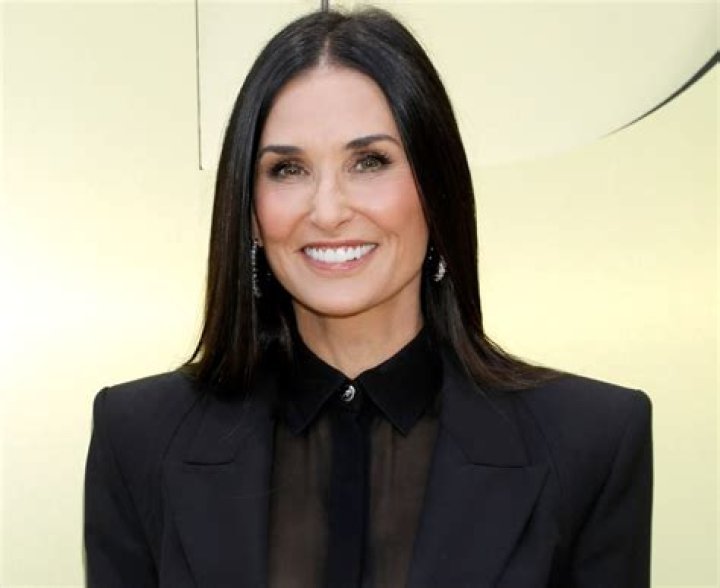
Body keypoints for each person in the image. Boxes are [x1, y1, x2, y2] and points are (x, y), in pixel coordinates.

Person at [84, 7, 652, 587]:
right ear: (250, 211)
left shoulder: (592, 442)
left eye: (369, 162)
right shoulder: (137, 438)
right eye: (288, 169)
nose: (328, 210)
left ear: (435, 188)